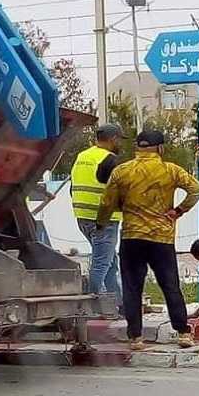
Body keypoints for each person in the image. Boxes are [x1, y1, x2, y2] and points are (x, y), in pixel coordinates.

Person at [97, 130, 199, 351]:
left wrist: (101, 223)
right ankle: (183, 332)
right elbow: (197, 189)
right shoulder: (170, 170)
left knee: (132, 288)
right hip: (161, 238)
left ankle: (135, 337)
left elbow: (107, 203)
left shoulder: (122, 171)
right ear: (160, 148)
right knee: (170, 285)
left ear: (137, 148)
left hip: (132, 237)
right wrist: (178, 211)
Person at [71, 123, 125, 300]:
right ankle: (92, 303)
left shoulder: (82, 156)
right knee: (102, 263)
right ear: (113, 139)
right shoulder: (110, 159)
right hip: (104, 220)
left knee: (110, 262)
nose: (120, 145)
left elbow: (73, 188)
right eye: (120, 140)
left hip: (82, 218)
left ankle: (117, 302)